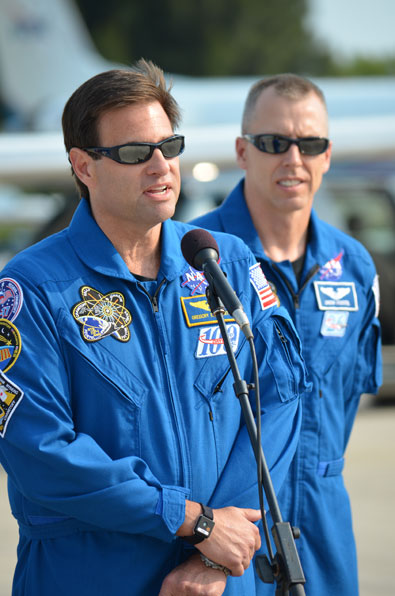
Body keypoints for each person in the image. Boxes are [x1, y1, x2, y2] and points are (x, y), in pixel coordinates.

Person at [0, 61, 309, 596]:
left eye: (170, 146)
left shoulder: (224, 262)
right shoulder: (30, 289)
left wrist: (216, 554)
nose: (161, 166)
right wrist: (192, 521)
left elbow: (277, 399)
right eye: (134, 153)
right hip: (91, 575)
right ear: (84, 166)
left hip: (220, 579)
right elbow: (39, 449)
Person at [191, 73, 382, 595]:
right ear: (242, 151)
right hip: (223, 531)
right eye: (274, 143)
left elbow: (347, 400)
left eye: (310, 143)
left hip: (323, 523)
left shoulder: (355, 267)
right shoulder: (194, 261)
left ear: (326, 155)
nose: (293, 159)